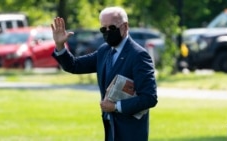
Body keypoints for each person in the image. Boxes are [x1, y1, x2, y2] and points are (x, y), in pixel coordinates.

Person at [51, 6, 158, 141]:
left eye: (111, 28)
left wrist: (115, 107)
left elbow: (149, 98)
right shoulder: (104, 51)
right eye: (103, 29)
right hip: (110, 130)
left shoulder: (138, 55)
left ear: (125, 27)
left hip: (131, 133)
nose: (107, 32)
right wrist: (60, 45)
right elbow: (74, 65)